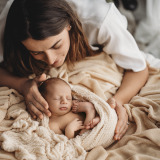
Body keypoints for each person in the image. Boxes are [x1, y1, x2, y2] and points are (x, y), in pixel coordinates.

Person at [0, 0, 149, 140]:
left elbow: (138, 69)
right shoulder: (9, 22)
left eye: (56, 45)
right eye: (36, 52)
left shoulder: (100, 19)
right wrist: (22, 84)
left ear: (69, 25)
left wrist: (116, 103)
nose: (51, 60)